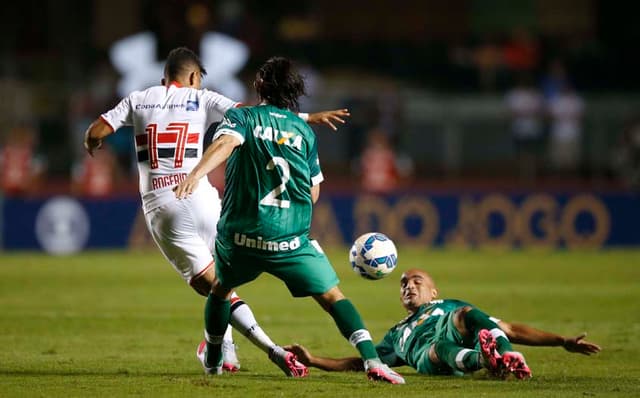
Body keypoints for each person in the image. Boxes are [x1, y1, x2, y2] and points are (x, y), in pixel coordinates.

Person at [83, 46, 349, 376]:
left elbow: (96, 132)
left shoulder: (137, 99)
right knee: (222, 281)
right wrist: (307, 117)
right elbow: (256, 115)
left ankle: (273, 350)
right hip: (203, 197)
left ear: (165, 76)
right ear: (194, 76)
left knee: (212, 287)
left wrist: (91, 143)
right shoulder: (203, 98)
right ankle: (227, 348)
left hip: (162, 203)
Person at [173, 56, 405, 384]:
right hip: (290, 241)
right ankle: (373, 362)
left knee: (221, 290)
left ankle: (213, 358)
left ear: (258, 86)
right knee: (333, 297)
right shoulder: (304, 132)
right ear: (294, 92)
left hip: (241, 237)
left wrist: (196, 173)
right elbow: (313, 194)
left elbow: (226, 143)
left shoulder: (241, 117)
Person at [286, 268, 601, 379]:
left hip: (456, 328)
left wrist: (561, 340)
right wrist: (314, 361)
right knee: (437, 348)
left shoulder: (449, 305)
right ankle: (487, 359)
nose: (408, 286)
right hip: (431, 354)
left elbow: (512, 329)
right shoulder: (396, 334)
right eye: (403, 284)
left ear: (433, 291)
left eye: (416, 281)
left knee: (469, 314)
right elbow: (362, 363)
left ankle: (505, 356)